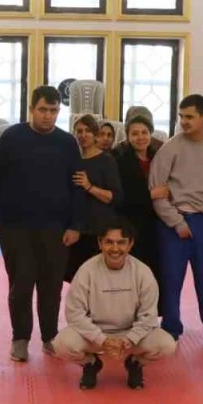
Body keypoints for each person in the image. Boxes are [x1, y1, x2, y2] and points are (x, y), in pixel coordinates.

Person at [0, 85, 86, 362]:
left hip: (56, 227)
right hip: (14, 226)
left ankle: (49, 336)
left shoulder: (67, 143)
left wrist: (75, 225)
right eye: (43, 110)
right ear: (31, 109)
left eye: (54, 111)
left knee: (51, 285)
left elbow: (78, 185)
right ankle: (20, 338)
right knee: (21, 283)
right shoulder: (11, 138)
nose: (48, 116)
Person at [53, 218, 177, 390]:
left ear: (130, 244)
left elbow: (148, 316)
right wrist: (102, 340)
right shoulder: (86, 271)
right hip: (95, 335)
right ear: (100, 243)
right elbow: (75, 314)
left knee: (167, 345)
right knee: (61, 345)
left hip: (130, 335)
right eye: (109, 242)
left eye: (121, 242)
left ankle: (135, 363)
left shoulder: (143, 272)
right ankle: (91, 363)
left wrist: (129, 340)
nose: (115, 248)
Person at [149, 94, 203, 350]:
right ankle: (170, 329)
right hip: (174, 221)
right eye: (181, 116)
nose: (184, 121)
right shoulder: (170, 148)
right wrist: (176, 222)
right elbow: (156, 191)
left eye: (190, 117)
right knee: (171, 279)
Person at [66, 114, 123, 282]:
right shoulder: (73, 160)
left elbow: (115, 197)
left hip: (98, 228)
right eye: (79, 131)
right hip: (77, 228)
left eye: (88, 131)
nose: (83, 135)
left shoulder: (106, 160)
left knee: (98, 279)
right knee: (76, 279)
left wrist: (89, 187)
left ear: (95, 134)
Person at [113, 116, 162, 288]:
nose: (140, 137)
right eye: (134, 134)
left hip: (157, 223)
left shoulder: (158, 157)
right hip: (133, 224)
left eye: (144, 132)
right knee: (133, 274)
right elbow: (121, 197)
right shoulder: (120, 161)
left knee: (155, 275)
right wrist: (151, 194)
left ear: (151, 134)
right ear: (127, 136)